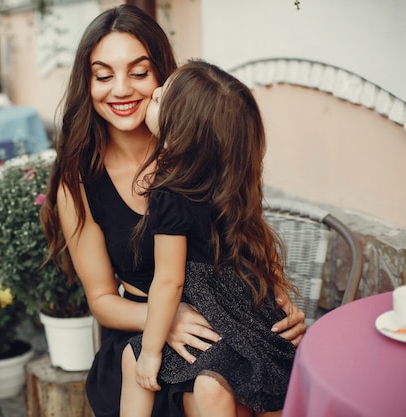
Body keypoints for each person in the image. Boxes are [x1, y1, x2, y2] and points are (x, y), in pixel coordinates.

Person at [40, 5, 306, 417]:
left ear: (165, 76)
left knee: (234, 389)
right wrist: (165, 318)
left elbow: (244, 231)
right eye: (104, 75)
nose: (122, 89)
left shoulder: (201, 149)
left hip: (226, 325)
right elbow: (102, 300)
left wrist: (278, 301)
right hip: (141, 337)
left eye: (140, 72)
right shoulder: (78, 182)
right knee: (207, 395)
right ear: (87, 83)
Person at [119, 59, 296, 417]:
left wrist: (151, 354)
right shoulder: (228, 181)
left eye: (159, 99)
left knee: (133, 358)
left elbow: (168, 281)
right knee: (211, 386)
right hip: (248, 313)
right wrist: (279, 292)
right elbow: (258, 248)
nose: (152, 91)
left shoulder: (169, 191)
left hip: (214, 316)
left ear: (178, 132)